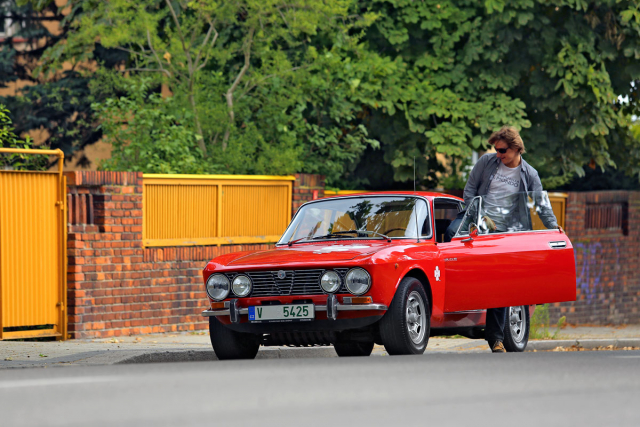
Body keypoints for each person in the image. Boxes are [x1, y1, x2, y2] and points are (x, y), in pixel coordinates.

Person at [444, 125, 559, 353]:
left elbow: (541, 204)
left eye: (503, 150)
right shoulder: (486, 163)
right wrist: (481, 216)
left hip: (506, 230)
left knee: (500, 281)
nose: (498, 154)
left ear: (517, 149)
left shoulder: (530, 175)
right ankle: (453, 291)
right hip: (476, 218)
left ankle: (495, 338)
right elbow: (468, 192)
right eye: (496, 149)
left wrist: (554, 229)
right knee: (451, 232)